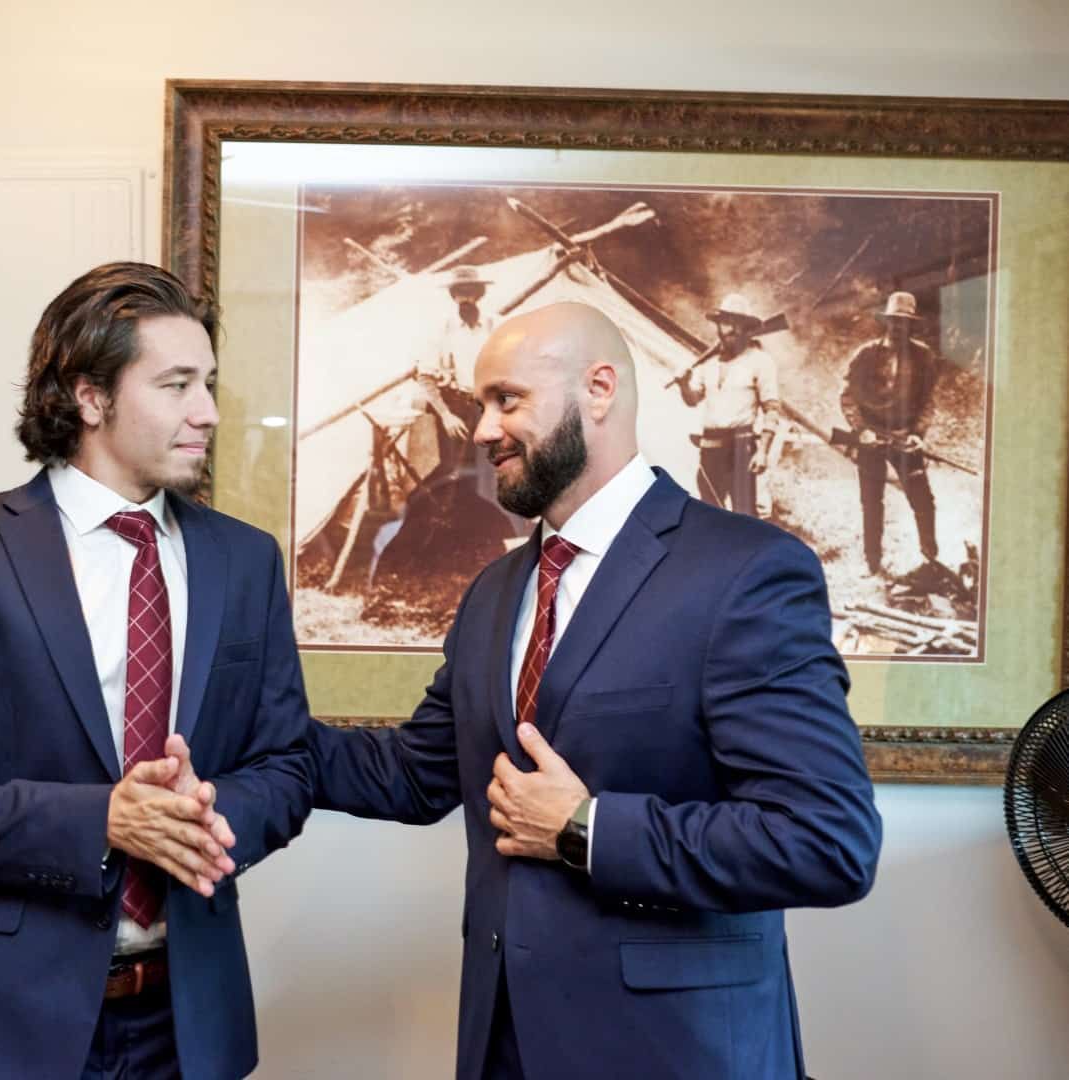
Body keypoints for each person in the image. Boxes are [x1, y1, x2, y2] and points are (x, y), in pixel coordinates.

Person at [309, 302, 882, 1079]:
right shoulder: (494, 591)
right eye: (482, 404)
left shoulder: (746, 573)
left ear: (599, 389)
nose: (481, 430)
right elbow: (413, 774)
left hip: (677, 1054)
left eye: (506, 400)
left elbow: (827, 843)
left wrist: (586, 829)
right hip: (503, 1047)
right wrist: (245, 719)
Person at [0, 261, 314, 1080]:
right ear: (89, 396)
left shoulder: (246, 561)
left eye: (208, 383)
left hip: (188, 1023)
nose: (207, 412)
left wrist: (209, 815)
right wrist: (101, 819)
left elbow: (286, 763)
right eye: (175, 385)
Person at [839, 290, 942, 577]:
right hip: (871, 438)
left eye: (905, 322)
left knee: (923, 500)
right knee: (871, 501)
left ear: (912, 325)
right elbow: (847, 396)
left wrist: (918, 434)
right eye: (894, 321)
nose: (899, 327)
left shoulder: (923, 356)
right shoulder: (866, 354)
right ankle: (873, 564)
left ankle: (930, 557)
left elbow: (928, 401)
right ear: (887, 322)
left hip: (905, 438)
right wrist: (861, 430)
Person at [675, 292, 780, 517]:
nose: (729, 330)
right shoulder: (709, 363)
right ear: (718, 327)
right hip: (710, 447)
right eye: (724, 324)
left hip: (741, 447)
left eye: (735, 324)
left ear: (745, 329)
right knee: (710, 517)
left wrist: (762, 451)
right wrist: (684, 384)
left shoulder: (760, 361)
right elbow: (693, 400)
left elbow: (772, 409)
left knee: (744, 518)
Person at [417, 265, 497, 480]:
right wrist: (445, 415)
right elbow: (425, 377)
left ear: (479, 294)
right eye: (460, 292)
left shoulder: (493, 325)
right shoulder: (442, 330)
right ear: (453, 296)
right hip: (456, 409)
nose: (465, 298)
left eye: (470, 292)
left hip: (489, 408)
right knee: (456, 473)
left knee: (491, 471)